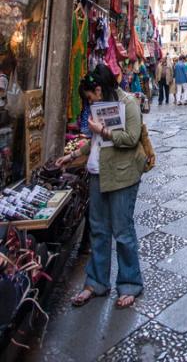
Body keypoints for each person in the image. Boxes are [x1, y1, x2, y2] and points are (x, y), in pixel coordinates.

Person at [56, 64, 146, 309]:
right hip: (98, 173)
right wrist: (73, 155)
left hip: (122, 176)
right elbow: (95, 140)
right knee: (98, 230)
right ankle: (96, 282)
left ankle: (129, 284)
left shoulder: (128, 104)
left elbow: (131, 138)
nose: (89, 102)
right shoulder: (99, 106)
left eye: (90, 96)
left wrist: (103, 130)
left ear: (99, 88)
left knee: (123, 231)